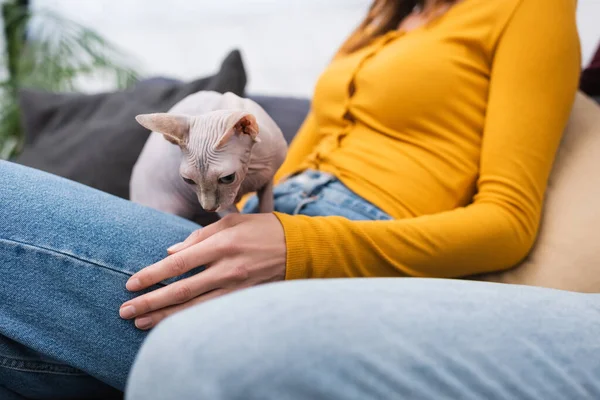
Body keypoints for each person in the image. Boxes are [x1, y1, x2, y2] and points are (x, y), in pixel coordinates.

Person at [1, 0, 598, 399]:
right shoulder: (381, 16)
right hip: (266, 222)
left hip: (347, 249)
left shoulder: (530, 8)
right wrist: (265, 222)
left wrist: (300, 245)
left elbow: (508, 223)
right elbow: (284, 159)